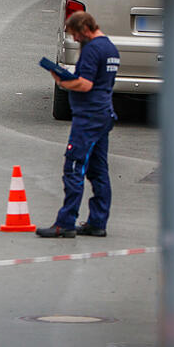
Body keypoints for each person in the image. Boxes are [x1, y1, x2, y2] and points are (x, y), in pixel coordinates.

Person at [37, 12, 120, 238]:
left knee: (73, 167)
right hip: (103, 114)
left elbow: (85, 84)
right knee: (98, 171)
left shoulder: (93, 49)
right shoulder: (111, 48)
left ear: (84, 29)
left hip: (89, 117)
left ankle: (65, 223)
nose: (74, 39)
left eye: (75, 35)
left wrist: (62, 80)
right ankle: (97, 222)